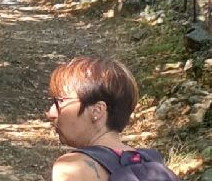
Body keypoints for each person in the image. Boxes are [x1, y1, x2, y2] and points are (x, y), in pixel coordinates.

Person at [44, 56, 181, 181]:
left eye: (60, 102)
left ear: (97, 110)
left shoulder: (75, 166)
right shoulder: (151, 161)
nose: (51, 113)